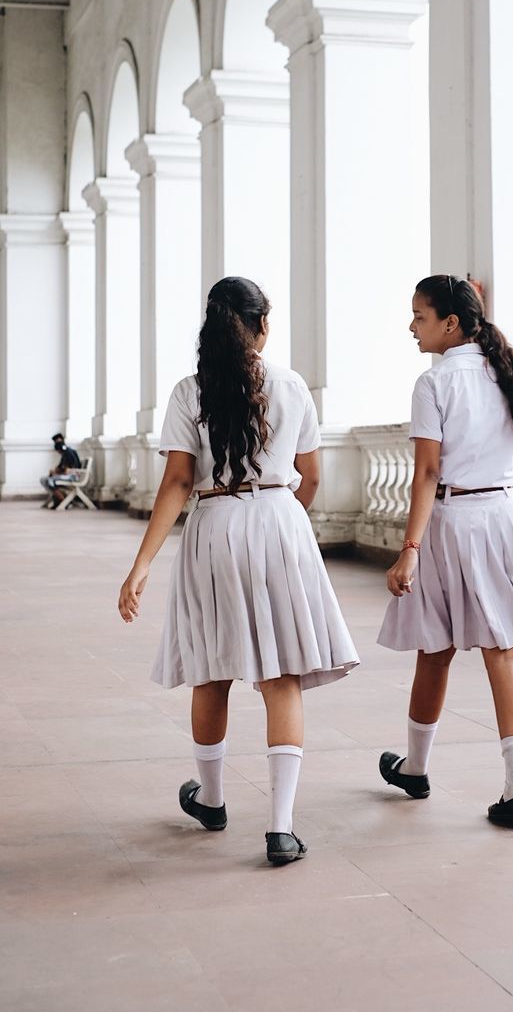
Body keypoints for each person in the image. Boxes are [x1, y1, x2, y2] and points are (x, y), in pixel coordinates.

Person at [117, 277, 358, 866]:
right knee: (282, 677)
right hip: (279, 519)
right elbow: (312, 474)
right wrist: (280, 521)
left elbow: (177, 481)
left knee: (212, 668)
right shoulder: (291, 384)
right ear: (262, 325)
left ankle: (214, 800)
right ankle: (280, 827)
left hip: (214, 524)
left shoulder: (189, 391)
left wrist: (140, 565)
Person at [378, 275, 513, 828]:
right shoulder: (504, 371)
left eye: (420, 316)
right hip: (504, 517)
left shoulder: (434, 384)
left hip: (453, 524)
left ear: (450, 322)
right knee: (503, 654)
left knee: (436, 648)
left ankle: (417, 767)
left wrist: (409, 549)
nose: (412, 326)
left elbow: (427, 472)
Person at [40, 433, 81, 509]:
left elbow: (67, 470)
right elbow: (61, 467)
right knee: (46, 479)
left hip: (73, 476)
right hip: (70, 475)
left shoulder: (68, 453)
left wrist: (56, 472)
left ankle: (62, 500)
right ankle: (59, 499)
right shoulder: (66, 453)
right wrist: (55, 471)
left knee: (50, 481)